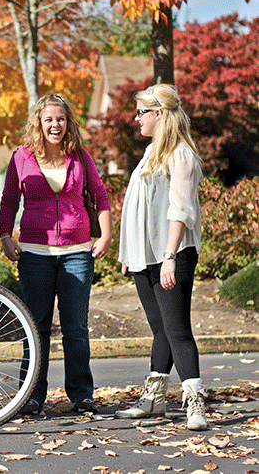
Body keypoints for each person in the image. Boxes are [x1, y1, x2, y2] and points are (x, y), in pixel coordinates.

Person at [0, 94, 112, 415]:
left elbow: (101, 197)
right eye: (48, 119)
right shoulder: (21, 157)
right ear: (38, 122)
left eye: (60, 119)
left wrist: (106, 235)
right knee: (36, 327)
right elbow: (8, 200)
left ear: (68, 123)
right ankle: (32, 395)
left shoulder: (80, 156)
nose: (55, 125)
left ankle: (82, 394)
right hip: (35, 253)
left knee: (76, 326)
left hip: (77, 252)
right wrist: (6, 236)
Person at [116, 84, 207, 431]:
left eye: (141, 112)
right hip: (146, 256)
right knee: (160, 329)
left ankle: (195, 403)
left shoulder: (180, 154)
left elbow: (180, 211)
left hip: (172, 253)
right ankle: (154, 399)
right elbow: (139, 208)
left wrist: (169, 256)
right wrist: (130, 254)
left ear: (159, 114)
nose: (136, 118)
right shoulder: (151, 151)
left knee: (177, 329)